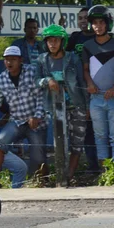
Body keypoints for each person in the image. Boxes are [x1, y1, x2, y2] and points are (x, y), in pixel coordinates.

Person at [0, 46, 47, 188]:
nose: (9, 63)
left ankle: (41, 183)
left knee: (38, 154)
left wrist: (37, 116)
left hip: (35, 121)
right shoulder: (2, 79)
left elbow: (41, 97)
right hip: (16, 121)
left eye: (13, 59)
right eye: (6, 60)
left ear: (20, 60)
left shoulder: (32, 72)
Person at [36, 25, 88, 182]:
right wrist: (48, 80)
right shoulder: (41, 60)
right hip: (55, 108)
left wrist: (86, 106)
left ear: (62, 41)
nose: (52, 44)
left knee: (77, 142)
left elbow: (82, 82)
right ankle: (61, 175)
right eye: (49, 41)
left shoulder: (72, 58)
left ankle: (69, 175)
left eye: (56, 40)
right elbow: (36, 80)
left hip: (76, 105)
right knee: (59, 142)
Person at [82, 5, 114, 168]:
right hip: (96, 98)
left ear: (108, 24)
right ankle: (105, 172)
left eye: (101, 22)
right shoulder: (87, 46)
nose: (98, 26)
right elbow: (85, 70)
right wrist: (90, 83)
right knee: (99, 136)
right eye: (94, 23)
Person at [66, 7, 99, 171]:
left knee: (99, 129)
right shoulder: (74, 38)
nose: (83, 21)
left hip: (97, 88)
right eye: (80, 18)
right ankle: (91, 165)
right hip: (79, 90)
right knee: (85, 131)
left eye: (86, 18)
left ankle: (103, 165)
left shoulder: (98, 36)